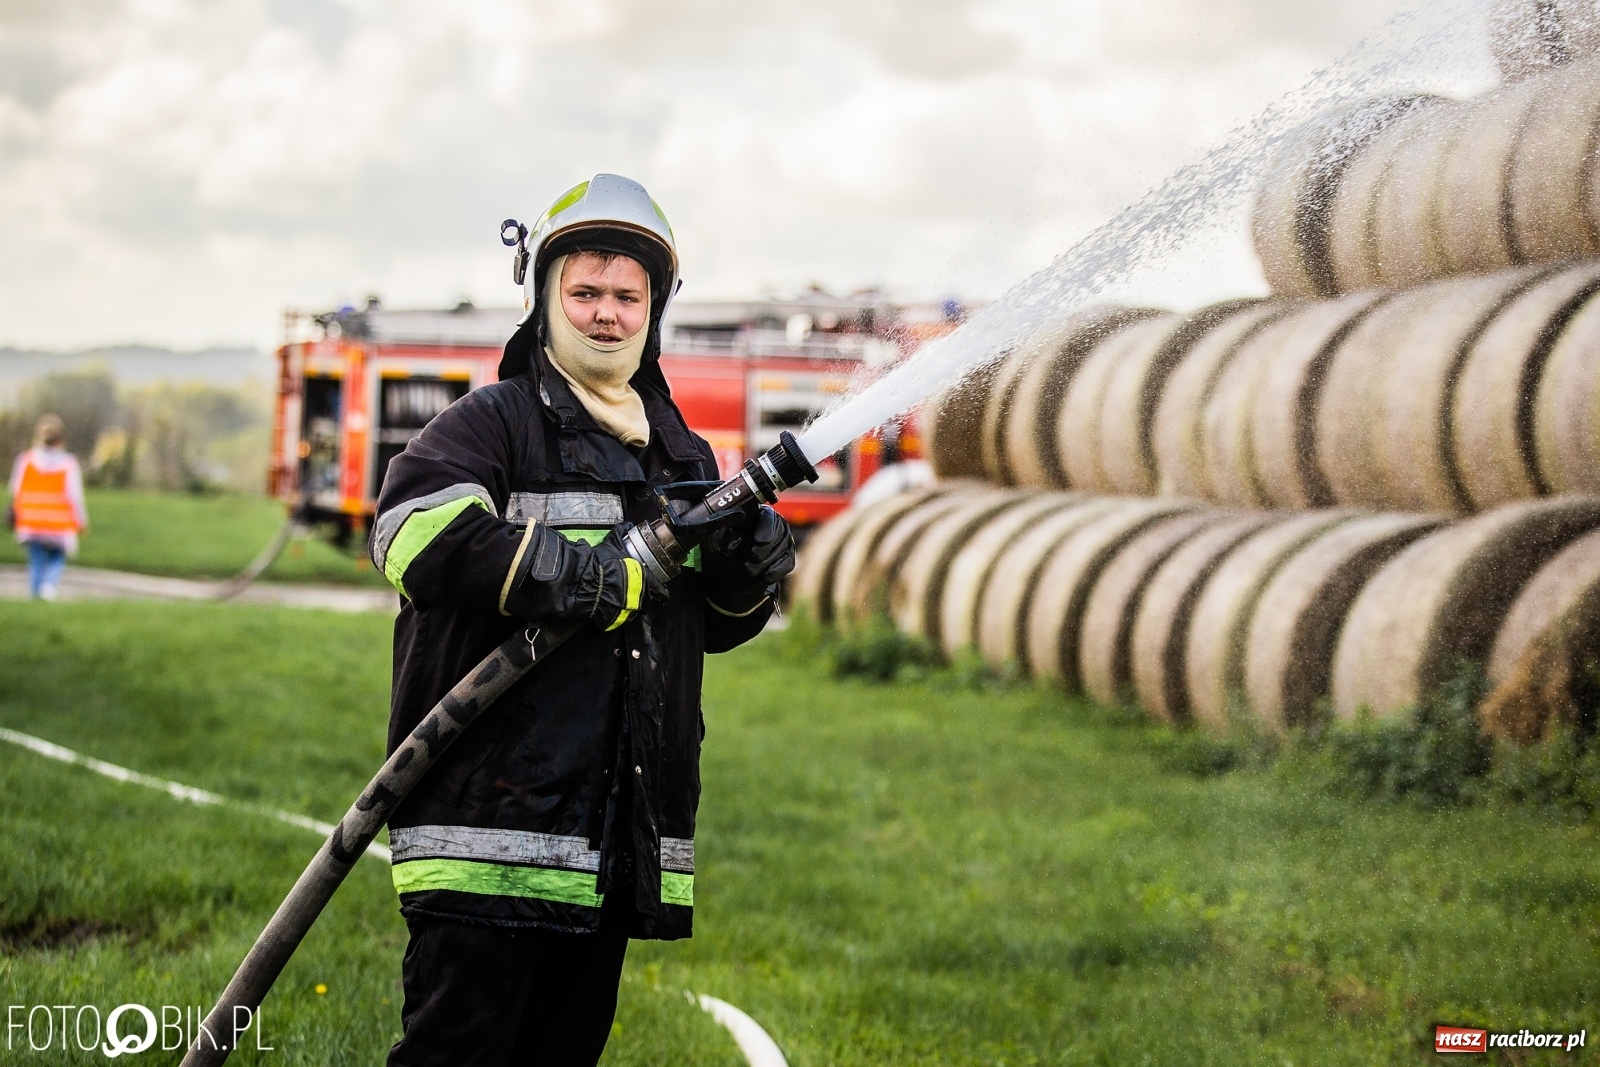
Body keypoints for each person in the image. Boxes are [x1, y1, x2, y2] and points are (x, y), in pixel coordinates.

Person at [373, 174, 796, 1067]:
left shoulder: (681, 451)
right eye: (586, 292)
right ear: (546, 300)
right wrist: (572, 572)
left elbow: (707, 627)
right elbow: (410, 533)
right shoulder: (493, 424)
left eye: (626, 296)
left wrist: (746, 572)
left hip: (607, 844)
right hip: (486, 839)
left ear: (654, 310)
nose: (607, 313)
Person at [7, 414, 88, 601]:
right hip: (58, 523)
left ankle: (35, 596)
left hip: (31, 520)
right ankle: (49, 587)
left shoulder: (26, 460)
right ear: (61, 438)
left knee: (36, 560)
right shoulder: (68, 463)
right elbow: (74, 496)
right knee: (57, 557)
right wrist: (81, 521)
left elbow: (16, 489)